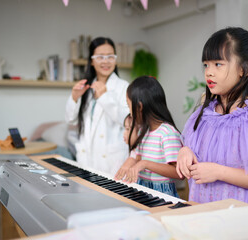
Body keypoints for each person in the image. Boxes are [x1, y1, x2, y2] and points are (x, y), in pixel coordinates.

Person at [176, 27, 248, 213]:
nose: (209, 72)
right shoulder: (204, 116)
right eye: (206, 65)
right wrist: (185, 151)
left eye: (218, 64)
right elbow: (193, 151)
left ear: (244, 69)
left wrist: (219, 172)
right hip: (207, 214)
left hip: (245, 219)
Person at [65, 37, 129, 176]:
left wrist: (104, 97)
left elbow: (126, 120)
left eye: (110, 57)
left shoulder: (123, 87)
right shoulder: (86, 87)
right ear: (92, 61)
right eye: (100, 57)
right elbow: (71, 120)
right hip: (87, 158)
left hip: (112, 162)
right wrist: (75, 97)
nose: (106, 61)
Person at [115, 76, 183, 197]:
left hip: (161, 195)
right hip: (142, 189)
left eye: (129, 106)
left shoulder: (167, 133)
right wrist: (126, 167)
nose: (130, 113)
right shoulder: (142, 131)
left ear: (140, 107)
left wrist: (145, 164)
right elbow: (135, 156)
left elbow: (178, 173)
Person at [114, 114, 138, 181]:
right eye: (125, 129)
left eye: (127, 129)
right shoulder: (130, 154)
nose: (124, 133)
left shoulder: (137, 155)